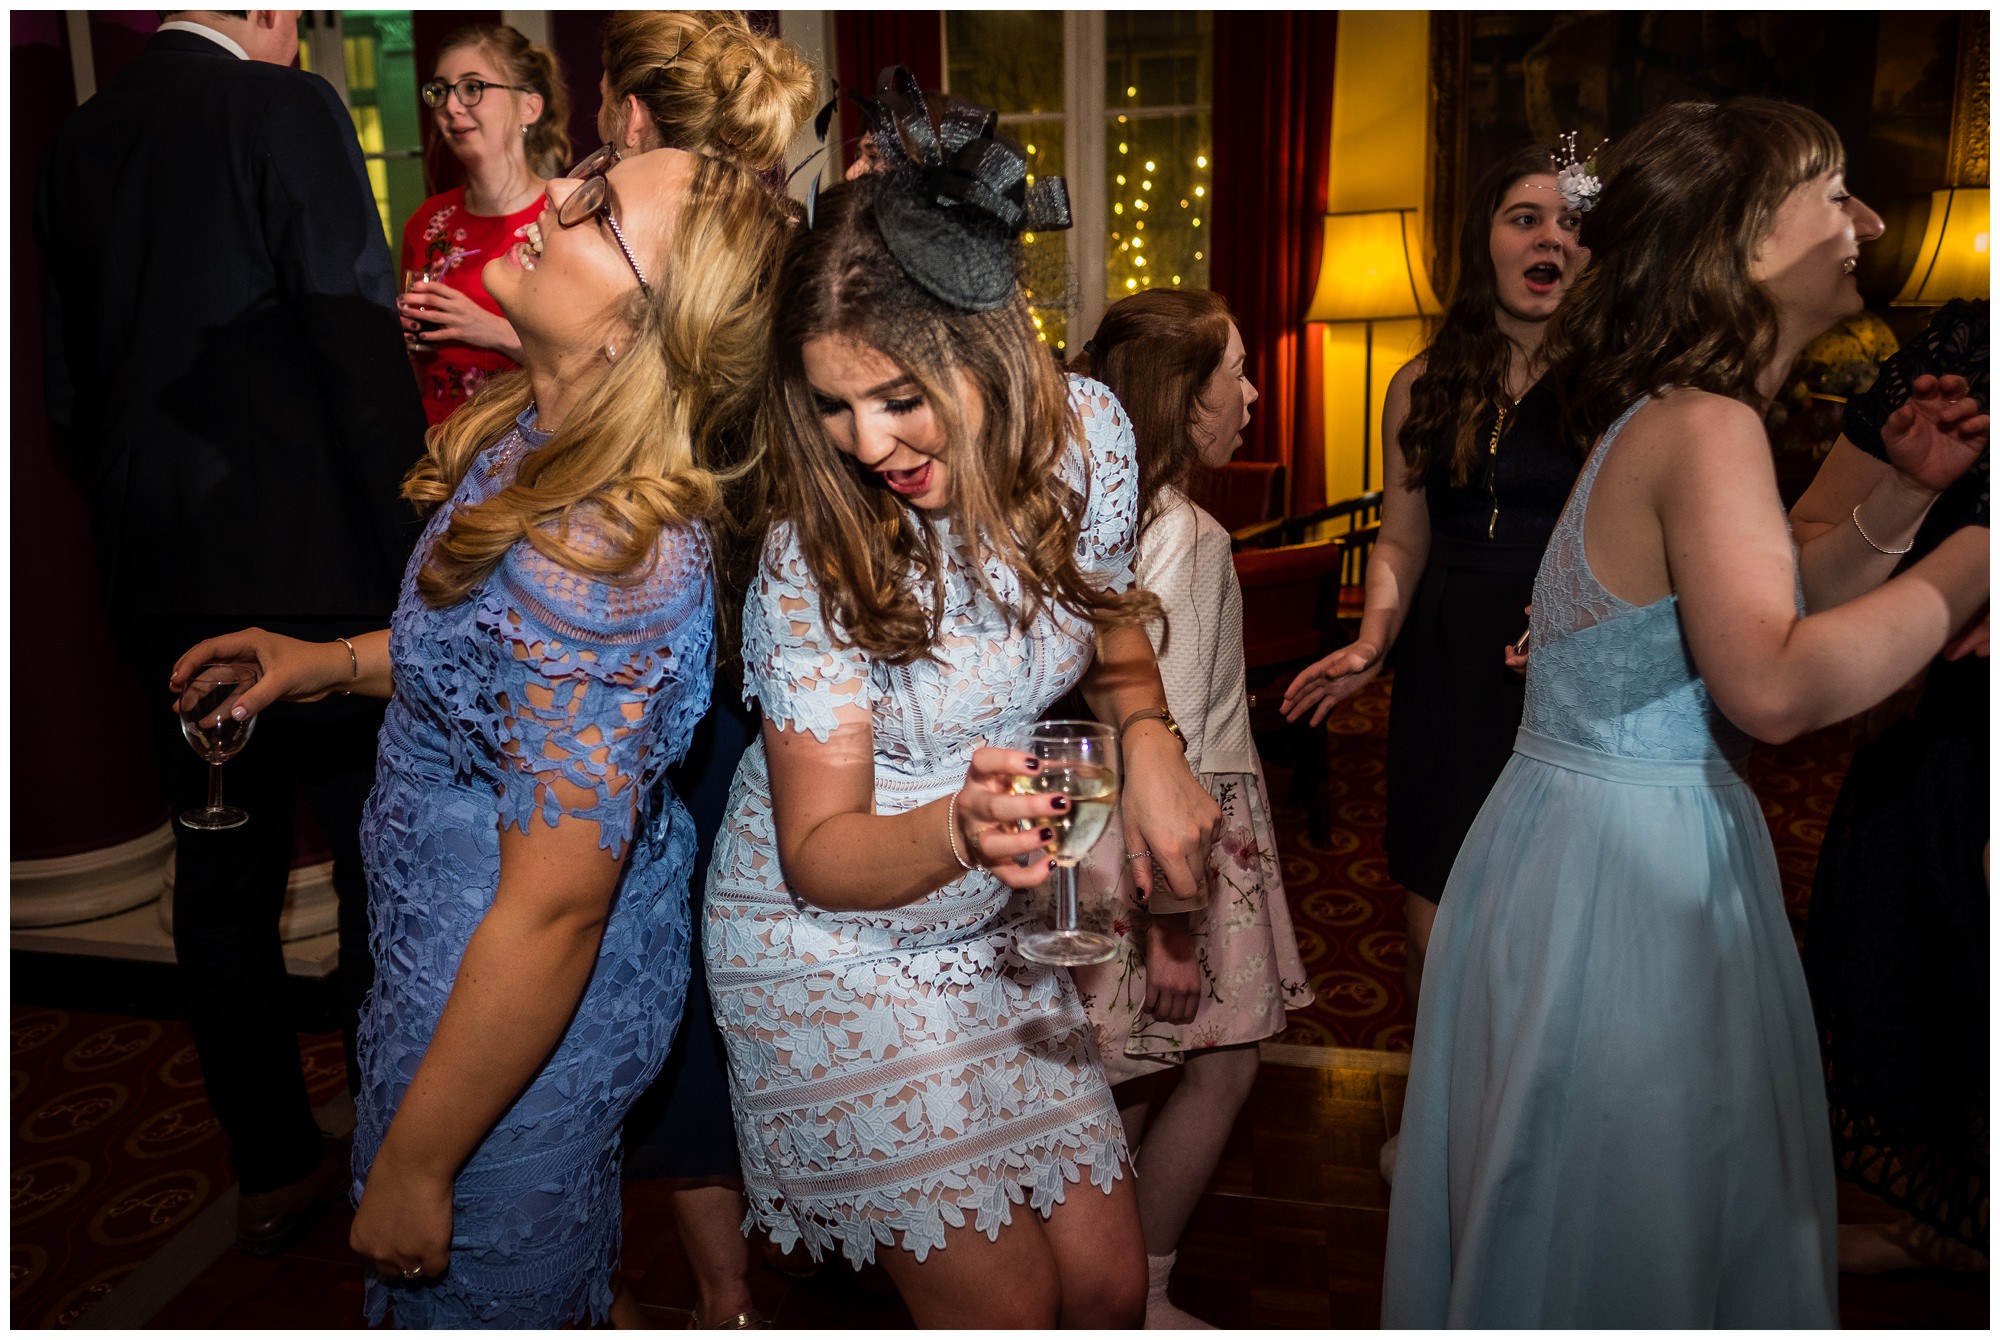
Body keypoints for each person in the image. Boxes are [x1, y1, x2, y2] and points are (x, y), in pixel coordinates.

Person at [1379, 97, 1988, 1327]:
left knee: (1599, 1214)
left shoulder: (1677, 408)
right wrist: (1975, 551)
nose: (1864, 220)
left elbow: (1751, 597)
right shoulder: (1701, 423)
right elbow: (1765, 681)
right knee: (1636, 1227)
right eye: (1832, 192)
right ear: (1746, 236)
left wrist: (1898, 510)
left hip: (1586, 846)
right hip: (1626, 879)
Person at [170, 137, 796, 1326]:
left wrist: (417, 1161)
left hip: (511, 1025)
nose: (558, 192)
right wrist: (329, 660)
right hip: (451, 972)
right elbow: (498, 663)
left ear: (635, 331)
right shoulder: (537, 438)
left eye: (598, 205)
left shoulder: (605, 560)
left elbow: (556, 906)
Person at [702, 91, 1219, 1328]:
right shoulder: (810, 552)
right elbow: (817, 852)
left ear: (980, 344)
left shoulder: (1087, 434)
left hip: (989, 930)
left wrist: (1145, 733)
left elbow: (1106, 626)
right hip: (825, 947)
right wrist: (956, 829)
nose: (867, 441)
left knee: (1102, 1290)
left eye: (895, 395)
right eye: (830, 406)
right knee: (1008, 1311)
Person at [35, 8, 426, 1254]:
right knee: (383, 869)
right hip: (321, 587)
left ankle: (267, 1165)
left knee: (218, 880)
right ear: (268, 12)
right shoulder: (285, 107)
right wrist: (423, 566)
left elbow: (63, 388)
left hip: (165, 583)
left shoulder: (80, 138)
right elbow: (358, 345)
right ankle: (398, 1145)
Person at [587, 12, 817, 1328]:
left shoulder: (629, 276)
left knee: (672, 1001)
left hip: (677, 685)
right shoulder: (780, 256)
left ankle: (724, 1302)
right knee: (733, 993)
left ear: (624, 120)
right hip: (757, 674)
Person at [1281, 144, 1588, 1021]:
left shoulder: (1620, 386)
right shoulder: (1420, 384)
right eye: (1526, 219)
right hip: (1447, 657)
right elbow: (1402, 542)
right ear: (1484, 241)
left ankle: (1523, 1140)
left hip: (1565, 654)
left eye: (1572, 224)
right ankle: (1433, 1132)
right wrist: (1375, 638)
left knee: (1547, 924)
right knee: (1437, 924)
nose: (1551, 240)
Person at [1066, 289, 1316, 1327]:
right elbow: (1169, 752)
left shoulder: (1098, 516)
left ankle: (1092, 1275)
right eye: (1235, 372)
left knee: (1117, 1071)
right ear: (1182, 394)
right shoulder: (1185, 534)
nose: (1251, 395)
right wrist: (1173, 923)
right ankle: (1132, 1280)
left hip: (1097, 832)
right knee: (1208, 1061)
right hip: (1171, 848)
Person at [1789, 297, 1989, 1274]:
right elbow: (1811, 543)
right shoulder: (1963, 353)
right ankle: (1952, 1236)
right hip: (1947, 753)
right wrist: (1905, 569)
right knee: (1941, 1027)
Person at [397, 23, 568, 426]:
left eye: (472, 88)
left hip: (530, 448)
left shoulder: (565, 214)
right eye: (440, 91)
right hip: (439, 449)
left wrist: (489, 329)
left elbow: (596, 366)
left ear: (529, 106)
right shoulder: (426, 223)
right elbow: (418, 376)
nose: (451, 107)